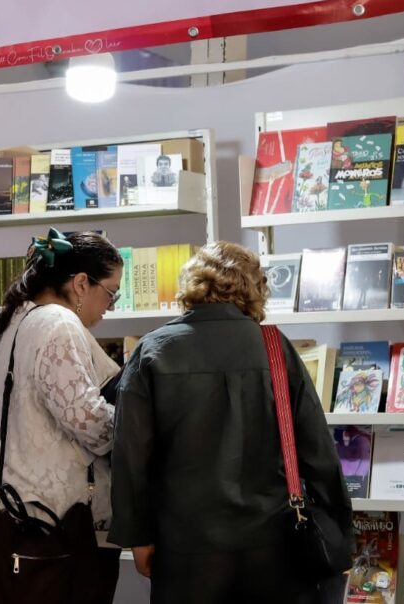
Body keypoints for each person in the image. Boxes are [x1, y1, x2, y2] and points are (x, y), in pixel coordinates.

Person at [109, 241, 353, 604]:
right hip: (274, 542)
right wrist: (340, 529)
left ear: (192, 284)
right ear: (256, 287)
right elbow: (317, 450)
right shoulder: (275, 347)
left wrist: (138, 536)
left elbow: (130, 456)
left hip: (185, 544)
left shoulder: (153, 349)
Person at [0, 228, 124, 603]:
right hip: (54, 519)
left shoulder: (20, 319)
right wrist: (132, 424)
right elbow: (88, 422)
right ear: (80, 283)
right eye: (111, 293)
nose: (110, 306)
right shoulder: (59, 323)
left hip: (15, 508)